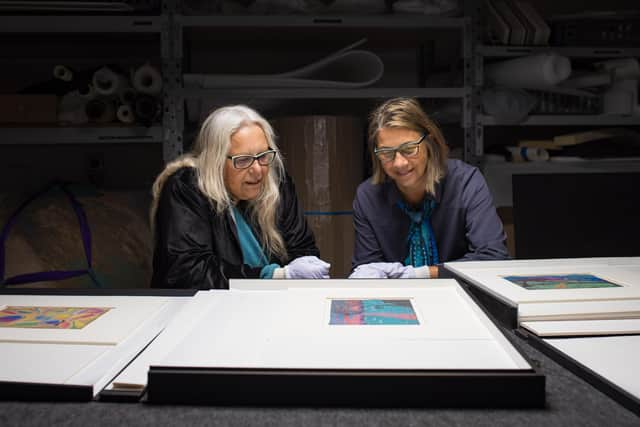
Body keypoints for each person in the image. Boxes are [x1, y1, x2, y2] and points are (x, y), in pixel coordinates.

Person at [150, 105, 330, 289]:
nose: (258, 170)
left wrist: (305, 266)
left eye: (263, 155)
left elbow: (301, 246)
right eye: (243, 160)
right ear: (216, 161)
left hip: (272, 306)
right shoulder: (187, 188)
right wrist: (276, 276)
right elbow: (188, 271)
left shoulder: (277, 184)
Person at [350, 97, 508, 279]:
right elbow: (367, 269)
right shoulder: (368, 196)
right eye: (387, 153)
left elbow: (494, 257)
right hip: (395, 300)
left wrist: (422, 274)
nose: (399, 163)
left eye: (409, 149)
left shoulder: (465, 182)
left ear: (429, 143)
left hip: (461, 295)